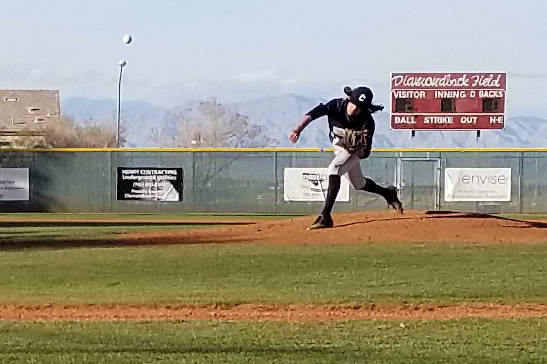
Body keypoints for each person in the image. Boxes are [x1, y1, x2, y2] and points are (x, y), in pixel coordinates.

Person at [289, 86, 403, 229]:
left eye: (360, 107)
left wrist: (359, 148)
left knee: (334, 169)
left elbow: (366, 153)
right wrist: (298, 129)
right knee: (358, 184)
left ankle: (325, 216)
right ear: (349, 99)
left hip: (353, 152)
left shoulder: (367, 121)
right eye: (354, 104)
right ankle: (388, 193)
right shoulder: (335, 105)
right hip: (338, 148)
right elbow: (313, 114)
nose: (355, 109)